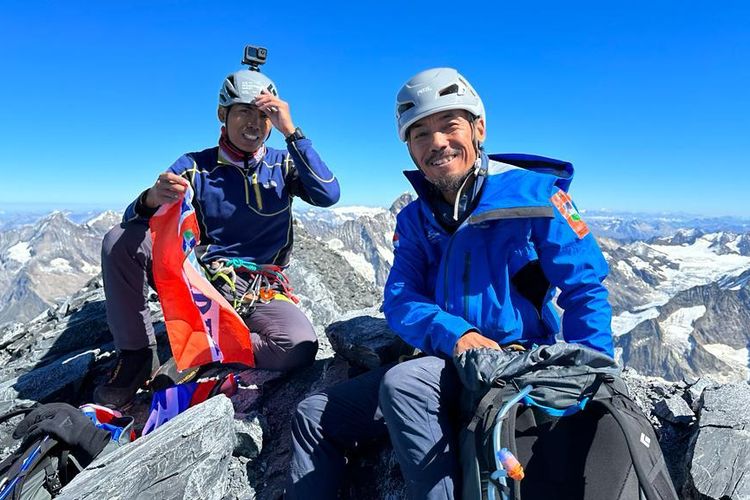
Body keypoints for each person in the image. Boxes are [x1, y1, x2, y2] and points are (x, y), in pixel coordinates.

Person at [286, 68, 613, 499]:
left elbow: (584, 286)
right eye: (420, 133)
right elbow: (400, 298)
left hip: (514, 362)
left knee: (403, 383)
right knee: (314, 416)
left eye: (449, 125)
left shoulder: (536, 197)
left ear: (479, 129)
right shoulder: (416, 218)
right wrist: (456, 335)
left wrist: (594, 372)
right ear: (410, 148)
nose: (436, 142)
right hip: (447, 358)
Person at [95, 53, 340, 408]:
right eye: (244, 112)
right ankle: (136, 355)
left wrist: (292, 132)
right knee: (119, 239)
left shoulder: (284, 163)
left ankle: (206, 348)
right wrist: (151, 198)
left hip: (260, 288)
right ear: (222, 116)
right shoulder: (195, 166)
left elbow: (328, 194)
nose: (254, 123)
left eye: (264, 115)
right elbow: (136, 221)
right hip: (202, 281)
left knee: (298, 347)